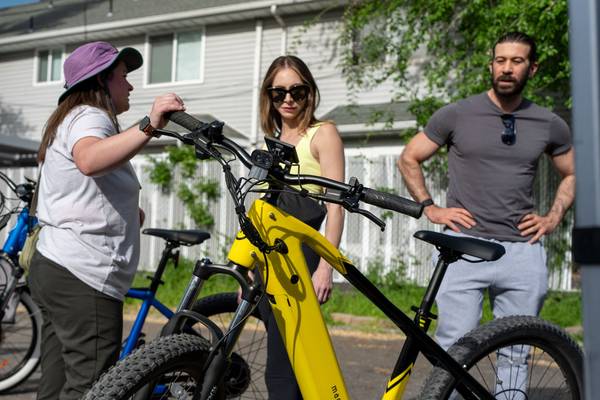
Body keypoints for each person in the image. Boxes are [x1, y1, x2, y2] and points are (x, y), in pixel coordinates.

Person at [398, 32, 575, 396]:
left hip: (523, 251)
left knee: (518, 350)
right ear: (491, 64)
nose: (507, 68)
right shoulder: (458, 114)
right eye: (501, 60)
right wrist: (431, 207)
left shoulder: (548, 123)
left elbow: (573, 172)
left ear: (532, 67)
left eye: (517, 61)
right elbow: (409, 157)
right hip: (464, 249)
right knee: (454, 348)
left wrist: (553, 216)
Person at [27, 41, 185, 400]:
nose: (129, 85)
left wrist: (127, 210)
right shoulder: (90, 116)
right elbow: (89, 160)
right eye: (123, 77)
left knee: (56, 384)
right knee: (93, 389)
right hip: (84, 276)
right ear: (100, 82)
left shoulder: (70, 120)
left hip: (55, 267)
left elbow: (78, 186)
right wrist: (150, 123)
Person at [258, 55, 345, 399]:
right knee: (286, 358)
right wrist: (249, 266)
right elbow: (262, 208)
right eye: (279, 92)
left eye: (297, 90)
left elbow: (336, 207)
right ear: (269, 96)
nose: (288, 99)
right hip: (269, 255)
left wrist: (327, 267)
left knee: (283, 366)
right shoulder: (274, 139)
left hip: (302, 256)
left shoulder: (322, 134)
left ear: (310, 92)